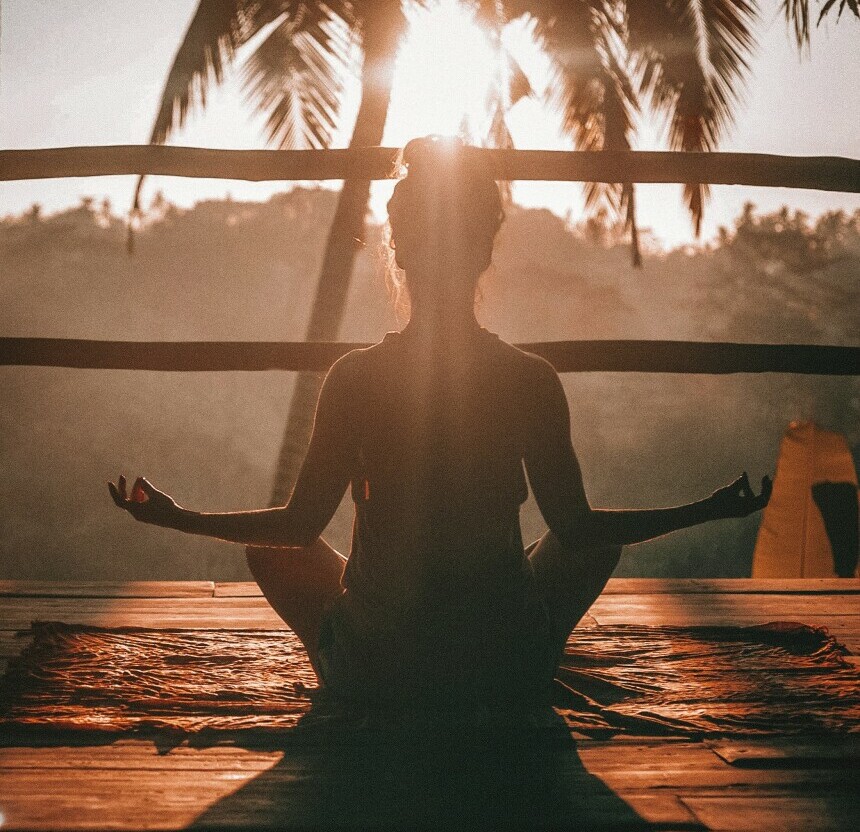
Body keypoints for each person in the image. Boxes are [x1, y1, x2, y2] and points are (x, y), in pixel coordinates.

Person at [110, 136, 771, 707]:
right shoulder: (529, 379)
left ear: (399, 251)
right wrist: (708, 509)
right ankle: (526, 655)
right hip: (503, 668)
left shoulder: (355, 378)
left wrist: (178, 516)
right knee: (594, 541)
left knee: (271, 550)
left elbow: (297, 527)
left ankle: (352, 664)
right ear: (485, 252)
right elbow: (578, 528)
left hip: (380, 673)